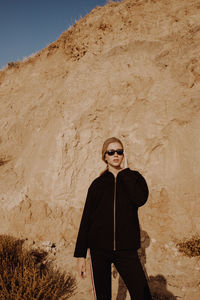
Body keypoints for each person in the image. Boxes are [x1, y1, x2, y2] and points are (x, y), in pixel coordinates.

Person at [74, 137, 152, 300]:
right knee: (103, 297)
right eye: (111, 152)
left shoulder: (134, 178)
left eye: (119, 151)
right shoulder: (97, 184)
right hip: (99, 249)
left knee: (142, 294)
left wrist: (126, 173)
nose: (115, 154)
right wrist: (81, 255)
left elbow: (140, 199)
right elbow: (86, 219)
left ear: (123, 155)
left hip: (126, 249)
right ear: (105, 156)